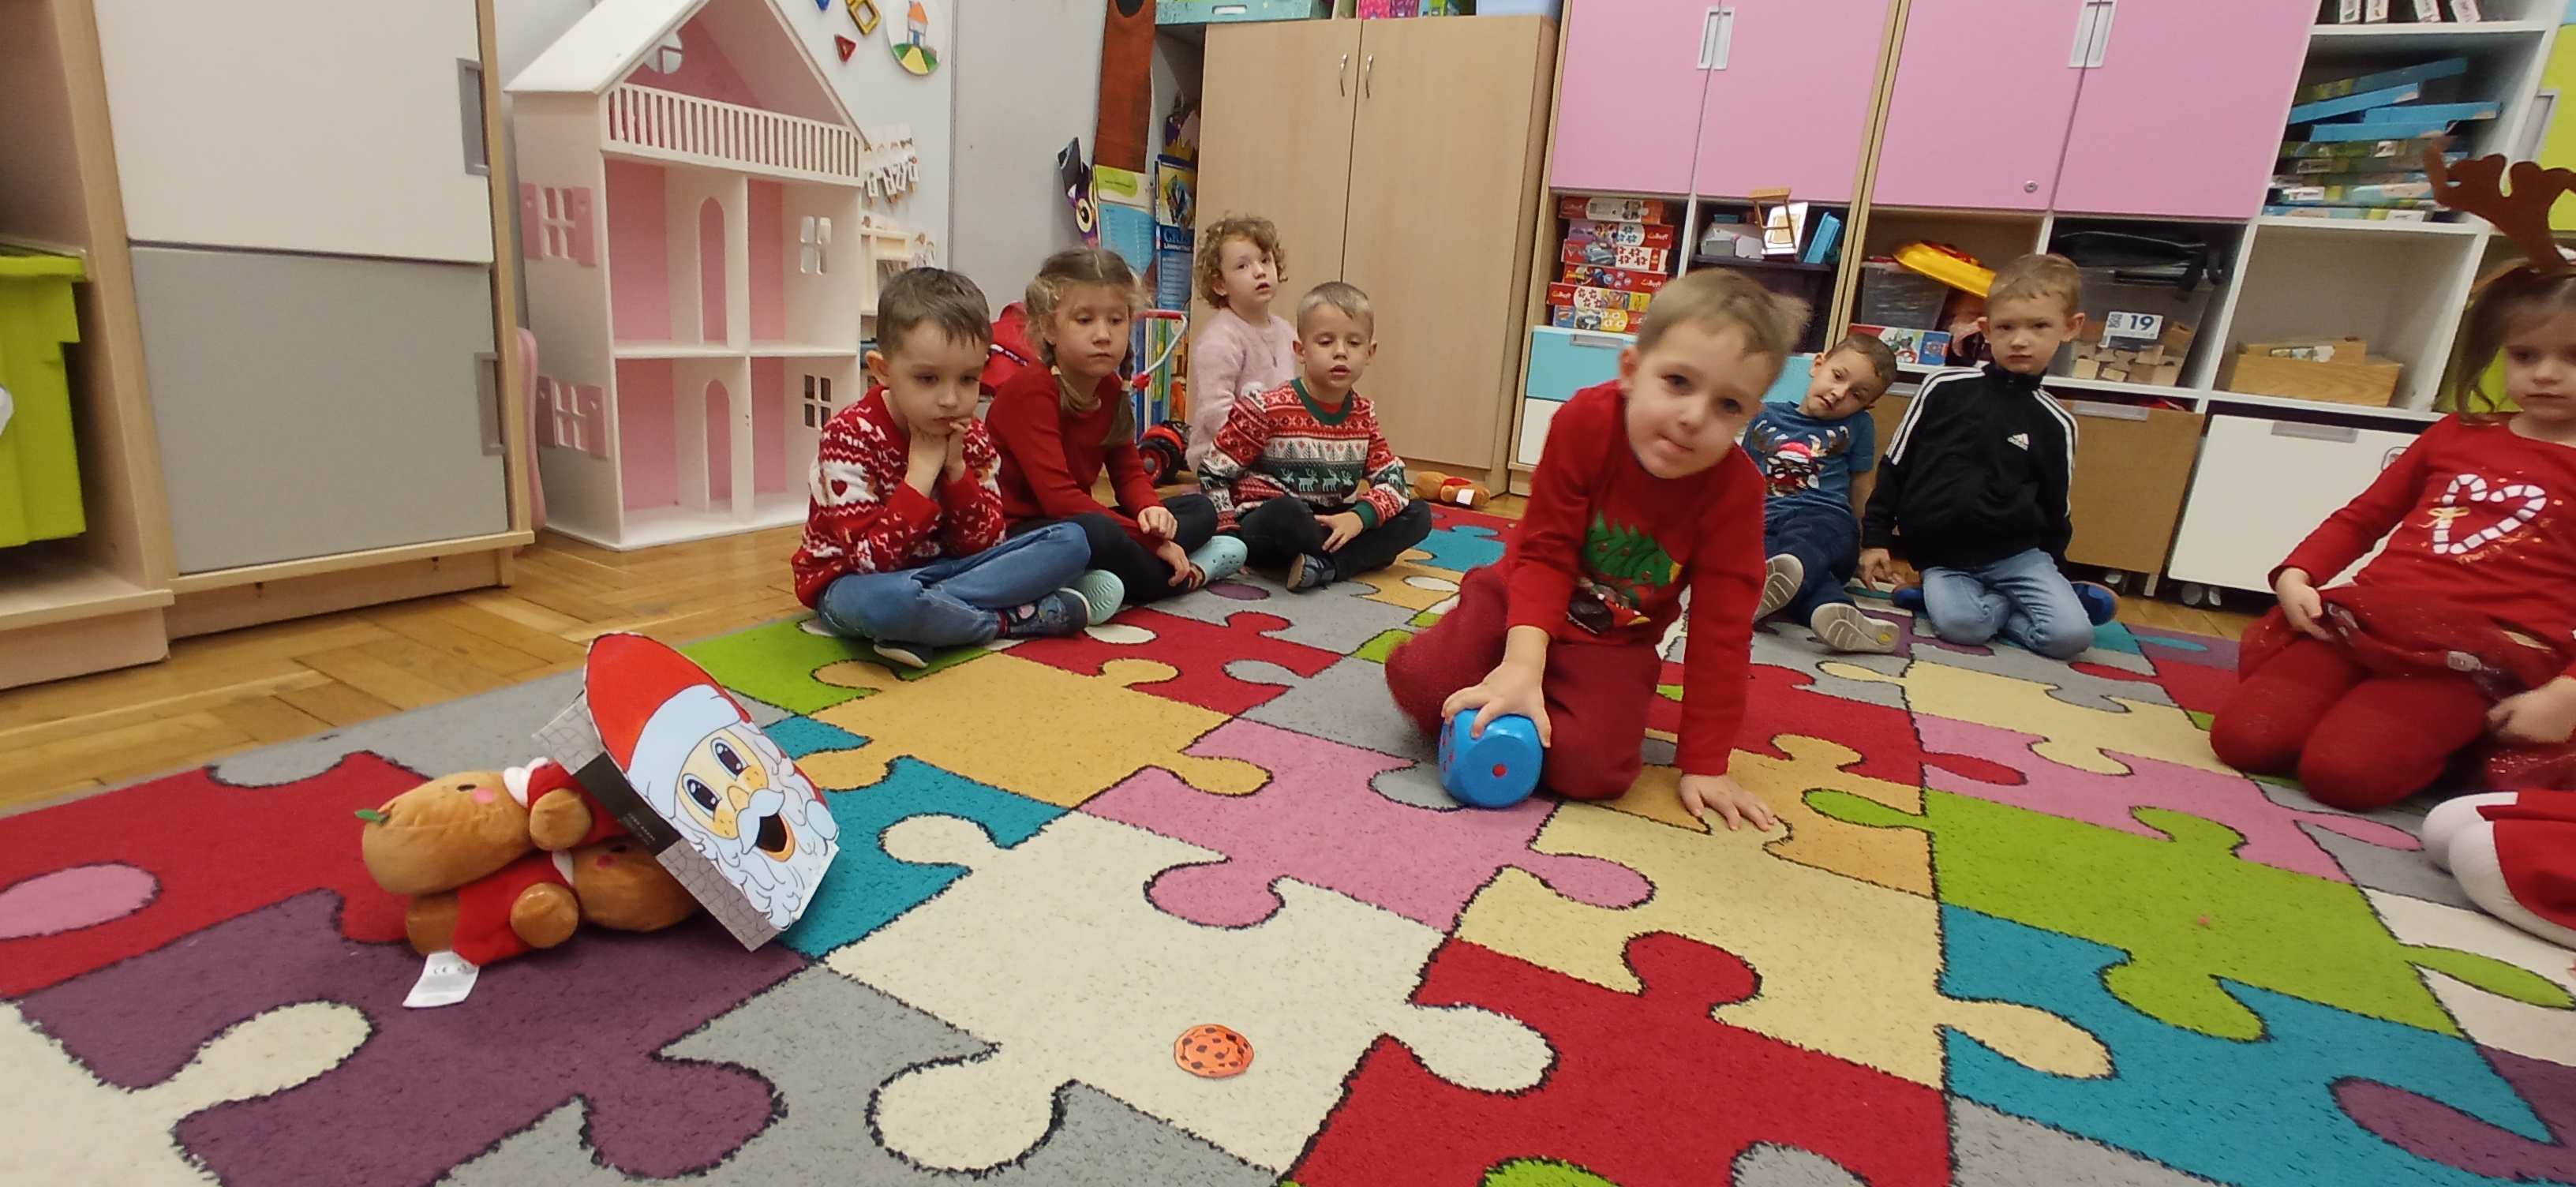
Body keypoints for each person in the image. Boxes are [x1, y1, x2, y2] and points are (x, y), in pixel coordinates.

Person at [1384, 269, 1799, 828]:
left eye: (1728, 404)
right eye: (1678, 382)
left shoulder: (1737, 493)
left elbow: (1721, 633)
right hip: (1521, 595)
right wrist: (1522, 663)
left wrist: (1705, 764)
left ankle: (1539, 694)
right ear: (1631, 371)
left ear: (1751, 416)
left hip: (1613, 639)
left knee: (1594, 773)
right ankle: (1508, 664)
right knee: (1424, 684)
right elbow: (1547, 551)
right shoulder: (1587, 420)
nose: (1694, 417)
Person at [2209, 260, 2576, 811]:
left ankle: (2460, 744)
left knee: (2344, 774)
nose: (2545, 374)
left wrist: (2567, 693)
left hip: (2479, 659)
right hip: (2368, 624)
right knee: (2245, 739)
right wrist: (2298, 573)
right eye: (2525, 356)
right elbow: (2364, 517)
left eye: (2574, 357)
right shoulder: (2457, 433)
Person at [789, 268, 1102, 669]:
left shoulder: (969, 435)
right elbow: (870, 562)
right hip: (854, 582)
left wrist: (956, 471)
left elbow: (986, 544)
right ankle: (1010, 620)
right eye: (927, 379)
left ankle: (930, 622)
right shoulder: (849, 435)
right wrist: (919, 477)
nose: (951, 400)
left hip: (947, 569)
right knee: (889, 601)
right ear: (883, 370)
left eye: (968, 379)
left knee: (1071, 542)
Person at [1857, 253, 2117, 660]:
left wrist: (2056, 574)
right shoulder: (1942, 388)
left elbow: (2056, 508)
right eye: (2006, 327)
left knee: (2070, 637)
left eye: (2039, 326)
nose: (2020, 340)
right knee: (1963, 628)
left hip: (2018, 558)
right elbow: (1895, 466)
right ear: (1985, 330)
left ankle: (2032, 598)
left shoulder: (2056, 423)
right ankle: (1949, 600)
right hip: (1944, 559)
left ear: (2070, 327)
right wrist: (1875, 540)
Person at [988, 248, 1249, 613]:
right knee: (1097, 532)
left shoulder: (1111, 387)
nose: (1102, 335)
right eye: (1084, 320)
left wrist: (1150, 512)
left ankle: (1106, 578)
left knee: (1200, 508)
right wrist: (1150, 541)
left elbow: (1128, 474)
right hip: (1021, 534)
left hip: (1073, 520)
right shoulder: (1031, 390)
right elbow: (1059, 500)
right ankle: (1186, 572)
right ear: (1049, 328)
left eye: (1115, 320)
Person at [1198, 281, 1432, 590]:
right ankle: (1354, 557)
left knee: (1418, 514)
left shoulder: (1364, 415)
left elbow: (1394, 481)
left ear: (1370, 352)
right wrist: (1228, 537)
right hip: (1273, 522)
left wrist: (1359, 518)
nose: (1340, 352)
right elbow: (1214, 472)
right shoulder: (1265, 408)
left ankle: (1326, 567)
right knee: (1288, 513)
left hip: (1329, 522)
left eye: (1354, 343)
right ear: (1301, 350)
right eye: (1325, 342)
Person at [1745, 332, 1901, 653]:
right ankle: (1830, 611)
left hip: (1826, 522)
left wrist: (1870, 544)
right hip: (1764, 523)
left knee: (1800, 542)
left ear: (1867, 405)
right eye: (1838, 376)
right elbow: (1739, 475)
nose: (1839, 393)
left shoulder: (1858, 426)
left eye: (1856, 394)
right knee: (1762, 556)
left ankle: (1767, 583)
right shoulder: (1763, 415)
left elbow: (1861, 486)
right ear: (1818, 364)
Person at [1185, 215, 1297, 474]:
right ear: (1220, 285)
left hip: (1274, 452)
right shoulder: (1219, 340)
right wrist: (1261, 447)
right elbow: (1216, 412)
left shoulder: (1286, 333)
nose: (1259, 271)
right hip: (1222, 453)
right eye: (1243, 266)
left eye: (1265, 260)